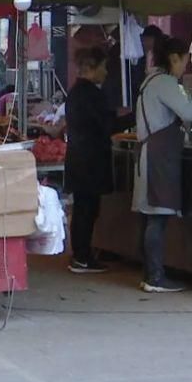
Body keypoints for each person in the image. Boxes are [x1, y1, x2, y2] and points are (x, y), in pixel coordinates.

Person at [133, 37, 192, 293]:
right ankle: (155, 278)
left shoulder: (150, 81)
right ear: (174, 58)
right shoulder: (165, 83)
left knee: (150, 217)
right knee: (157, 217)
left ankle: (149, 274)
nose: (185, 66)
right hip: (159, 156)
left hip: (151, 153)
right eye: (184, 61)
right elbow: (189, 113)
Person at [65, 47, 134, 273]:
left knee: (83, 207)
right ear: (91, 68)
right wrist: (135, 116)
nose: (106, 72)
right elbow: (107, 126)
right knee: (87, 209)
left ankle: (81, 254)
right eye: (103, 67)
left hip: (78, 157)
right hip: (90, 159)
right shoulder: (91, 95)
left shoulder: (76, 92)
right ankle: (82, 257)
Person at [131, 25, 166, 106]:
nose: (144, 43)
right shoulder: (140, 59)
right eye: (144, 40)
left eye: (148, 40)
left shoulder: (163, 60)